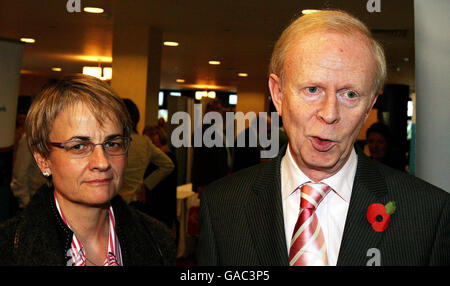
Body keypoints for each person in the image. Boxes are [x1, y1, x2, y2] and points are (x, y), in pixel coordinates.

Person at [197, 10, 449, 266]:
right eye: (313, 89)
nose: (329, 114)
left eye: (349, 94)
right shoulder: (222, 206)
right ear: (279, 94)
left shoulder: (428, 213)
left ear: (369, 105)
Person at [0, 74, 176, 266]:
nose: (102, 162)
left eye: (112, 143)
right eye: (78, 146)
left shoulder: (157, 240)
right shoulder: (9, 250)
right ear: (43, 160)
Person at [120, 99, 174, 205]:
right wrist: (147, 184)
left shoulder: (112, 142)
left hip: (114, 201)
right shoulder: (144, 142)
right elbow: (168, 165)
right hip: (135, 200)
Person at [143, 124, 177, 230]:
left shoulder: (166, 157)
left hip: (161, 202)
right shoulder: (163, 156)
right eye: (147, 136)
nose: (150, 138)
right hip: (157, 201)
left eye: (153, 135)